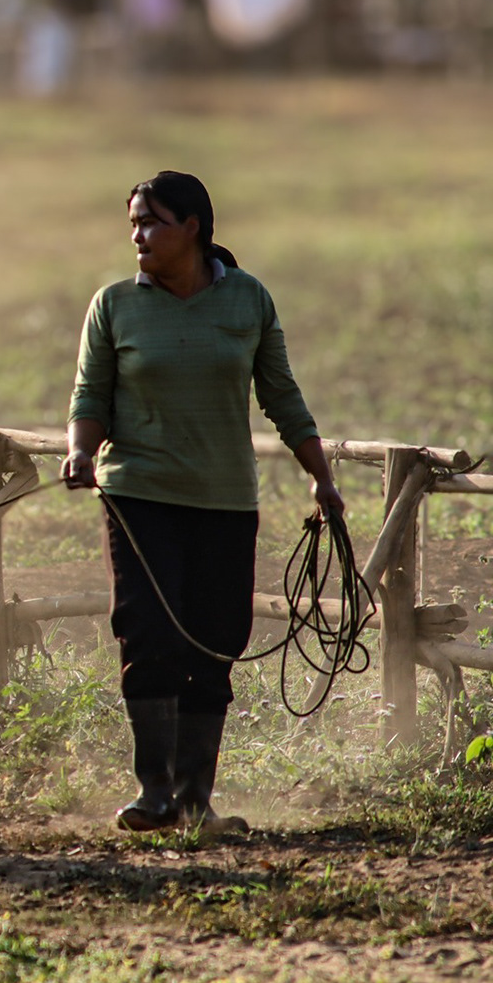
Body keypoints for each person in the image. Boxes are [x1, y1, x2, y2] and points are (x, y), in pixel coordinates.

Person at [62, 171, 343, 833]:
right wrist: (80, 450)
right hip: (139, 492)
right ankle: (154, 791)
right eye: (133, 223)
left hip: (224, 497)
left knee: (216, 642)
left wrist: (321, 477)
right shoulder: (114, 306)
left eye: (151, 222)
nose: (138, 235)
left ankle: (194, 799)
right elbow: (89, 395)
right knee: (149, 634)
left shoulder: (248, 301)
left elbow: (282, 395)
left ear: (193, 227)